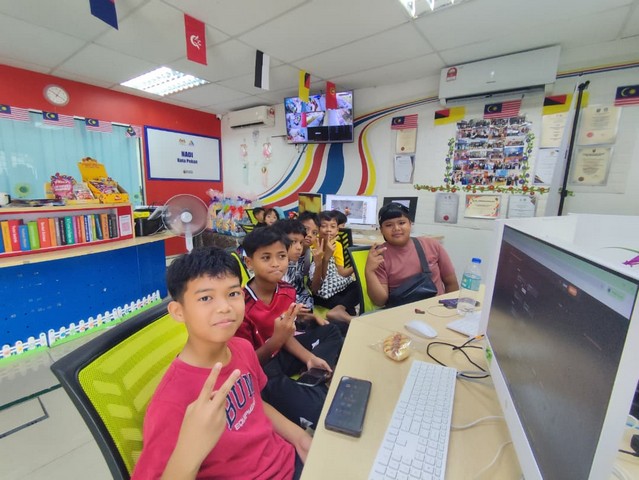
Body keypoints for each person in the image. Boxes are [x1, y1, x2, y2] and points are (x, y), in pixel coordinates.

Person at [132, 247, 311, 480]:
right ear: (178, 312)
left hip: (289, 461)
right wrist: (190, 449)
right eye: (206, 298)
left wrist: (300, 438)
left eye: (233, 293)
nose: (225, 307)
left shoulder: (243, 348)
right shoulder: (170, 402)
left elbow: (255, 404)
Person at [237, 227, 344, 429]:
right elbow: (246, 364)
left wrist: (309, 358)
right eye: (266, 258)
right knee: (320, 409)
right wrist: (277, 340)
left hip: (283, 351)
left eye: (281, 256)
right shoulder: (242, 305)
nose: (276, 263)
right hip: (261, 368)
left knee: (332, 330)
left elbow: (287, 336)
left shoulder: (287, 291)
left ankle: (309, 379)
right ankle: (308, 390)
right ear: (249, 263)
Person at [365, 202, 459, 308]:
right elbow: (380, 301)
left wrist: (450, 309)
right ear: (381, 230)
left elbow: (451, 283)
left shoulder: (432, 245)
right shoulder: (380, 255)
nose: (396, 228)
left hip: (436, 309)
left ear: (410, 224)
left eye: (401, 223)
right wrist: (369, 271)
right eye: (389, 225)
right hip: (401, 311)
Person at [273, 218, 351, 329]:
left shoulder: (310, 255)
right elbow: (279, 306)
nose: (299, 247)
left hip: (305, 307)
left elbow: (315, 288)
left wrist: (320, 262)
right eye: (294, 242)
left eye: (314, 233)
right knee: (335, 329)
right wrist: (311, 316)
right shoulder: (277, 270)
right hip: (296, 315)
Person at [310, 211, 359, 322]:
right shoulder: (312, 244)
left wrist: (357, 266)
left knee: (358, 286)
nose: (329, 230)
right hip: (319, 291)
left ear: (337, 230)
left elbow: (341, 272)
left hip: (334, 285)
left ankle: (340, 309)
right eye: (324, 226)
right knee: (350, 309)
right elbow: (315, 284)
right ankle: (342, 311)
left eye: (332, 227)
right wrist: (325, 257)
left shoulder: (337, 245)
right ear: (317, 229)